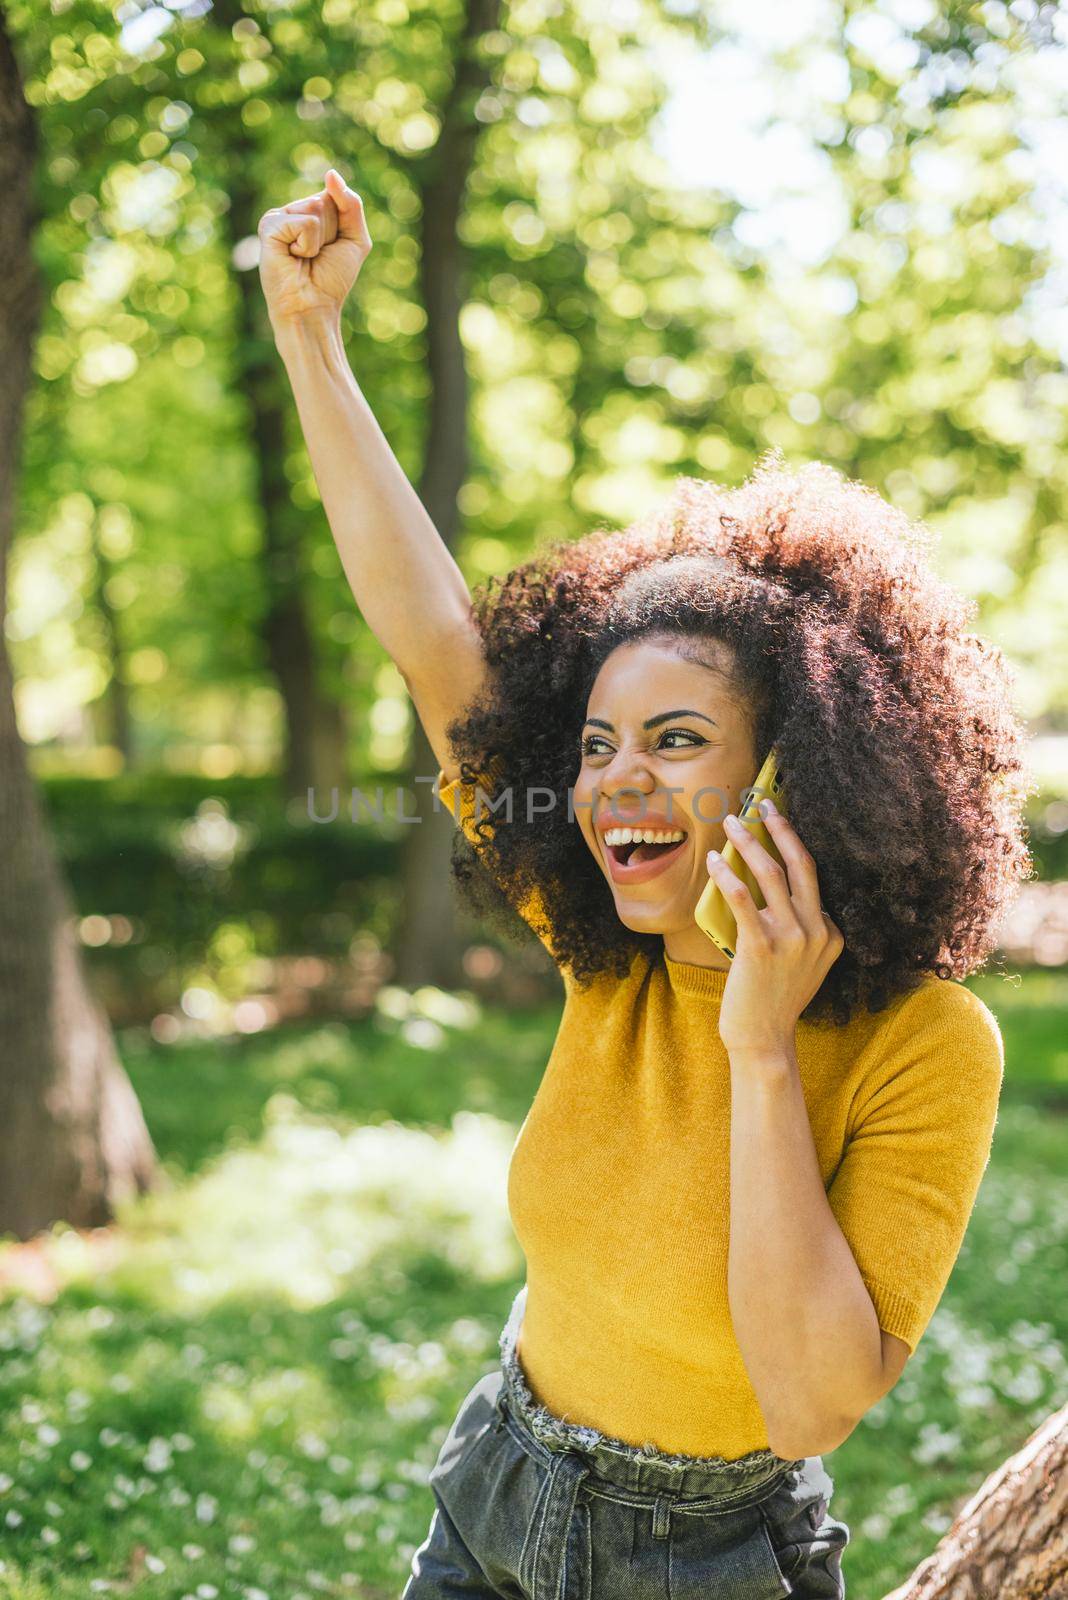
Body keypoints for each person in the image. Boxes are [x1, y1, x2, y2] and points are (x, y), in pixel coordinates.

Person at [258, 169, 1031, 1599]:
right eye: (598, 741)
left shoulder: (927, 1046)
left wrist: (758, 1049)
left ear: (808, 772)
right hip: (498, 1482)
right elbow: (434, 639)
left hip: (710, 1557)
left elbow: (810, 1404)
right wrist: (310, 336)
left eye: (676, 742)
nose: (615, 780)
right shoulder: (604, 938)